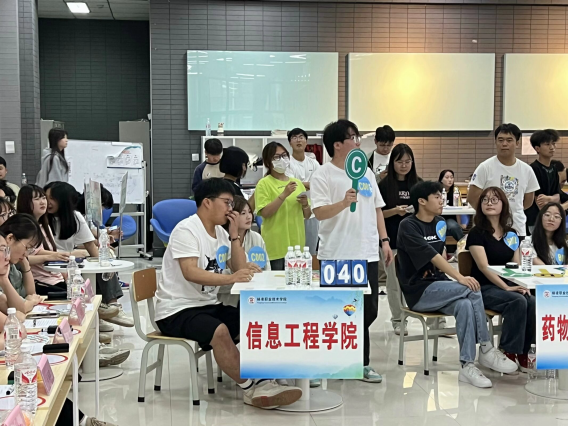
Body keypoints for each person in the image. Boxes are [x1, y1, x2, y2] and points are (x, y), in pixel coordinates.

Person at [155, 178, 302, 409]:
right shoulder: (186, 230)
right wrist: (231, 278)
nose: (230, 209)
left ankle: (266, 379)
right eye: (227, 202)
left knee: (254, 321)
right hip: (176, 309)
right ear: (207, 202)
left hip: (206, 305)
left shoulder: (221, 233)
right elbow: (190, 272)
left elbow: (239, 268)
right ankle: (251, 389)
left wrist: (234, 235)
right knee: (220, 331)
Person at [397, 181, 518, 388]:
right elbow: (433, 256)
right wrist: (460, 277)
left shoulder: (440, 222)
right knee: (471, 288)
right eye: (436, 197)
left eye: (441, 196)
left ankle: (467, 366)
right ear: (422, 201)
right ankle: (486, 347)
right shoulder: (408, 226)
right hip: (419, 292)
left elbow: (442, 253)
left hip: (439, 286)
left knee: (464, 305)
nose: (441, 200)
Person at [311, 119, 393, 383]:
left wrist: (384, 240)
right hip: (337, 253)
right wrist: (343, 202)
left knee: (368, 310)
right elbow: (319, 212)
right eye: (353, 137)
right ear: (337, 144)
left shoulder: (366, 173)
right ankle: (330, 363)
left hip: (366, 252)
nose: (358, 142)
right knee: (335, 310)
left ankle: (357, 362)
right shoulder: (323, 174)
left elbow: (377, 208)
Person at [45, 182, 131, 362]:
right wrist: (73, 253)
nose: (46, 202)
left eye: (51, 198)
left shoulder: (75, 218)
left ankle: (108, 311)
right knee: (80, 288)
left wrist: (103, 261)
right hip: (52, 272)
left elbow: (92, 247)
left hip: (67, 267)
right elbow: (38, 254)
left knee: (99, 264)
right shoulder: (41, 220)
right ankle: (102, 318)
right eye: (44, 197)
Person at [465, 186, 535, 372]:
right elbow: (483, 267)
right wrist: (506, 288)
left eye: (494, 199)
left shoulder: (511, 233)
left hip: (507, 285)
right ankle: (508, 352)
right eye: (485, 200)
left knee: (531, 300)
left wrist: (521, 285)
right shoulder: (477, 233)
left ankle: (524, 352)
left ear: (503, 204)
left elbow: (516, 266)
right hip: (483, 287)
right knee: (517, 301)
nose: (489, 203)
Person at [378, 144, 421, 336]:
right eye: (399, 162)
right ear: (392, 163)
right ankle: (398, 320)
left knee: (421, 279)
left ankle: (435, 319)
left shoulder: (418, 184)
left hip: (416, 242)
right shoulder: (384, 186)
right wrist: (395, 211)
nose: (404, 165)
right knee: (394, 283)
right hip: (391, 241)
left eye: (407, 161)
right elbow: (377, 214)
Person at [467, 123, 539, 238]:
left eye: (509, 140)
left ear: (517, 143)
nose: (504, 144)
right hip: (488, 228)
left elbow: (528, 201)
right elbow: (472, 198)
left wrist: (510, 211)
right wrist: (489, 214)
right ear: (495, 142)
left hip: (517, 227)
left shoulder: (527, 170)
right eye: (500, 140)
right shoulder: (485, 167)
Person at [255, 142, 311, 270]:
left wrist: (305, 205)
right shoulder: (264, 184)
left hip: (297, 245)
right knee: (276, 280)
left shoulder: (297, 183)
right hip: (276, 245)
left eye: (284, 155)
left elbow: (307, 215)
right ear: (268, 161)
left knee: (297, 280)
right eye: (277, 157)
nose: (282, 159)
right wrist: (284, 194)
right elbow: (265, 213)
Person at [16, 185, 69, 295]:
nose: (43, 202)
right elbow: (24, 258)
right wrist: (50, 257)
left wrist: (65, 275)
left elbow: (49, 252)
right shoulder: (23, 228)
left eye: (44, 198)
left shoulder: (44, 226)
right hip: (40, 281)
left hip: (55, 278)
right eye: (37, 199)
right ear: (26, 202)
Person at [218, 196, 270, 307]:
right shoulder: (220, 238)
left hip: (255, 297)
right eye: (243, 213)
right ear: (231, 216)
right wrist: (241, 270)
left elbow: (267, 270)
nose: (249, 216)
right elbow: (217, 279)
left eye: (250, 212)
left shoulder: (256, 238)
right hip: (225, 301)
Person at [285, 128, 320, 262]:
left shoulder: (313, 163)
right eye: (294, 138)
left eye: (301, 137)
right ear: (290, 143)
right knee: (293, 252)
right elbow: (291, 185)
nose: (298, 140)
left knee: (310, 252)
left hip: (311, 212)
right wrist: (309, 184)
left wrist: (304, 184)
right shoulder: (287, 163)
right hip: (293, 211)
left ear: (306, 141)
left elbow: (319, 184)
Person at [524, 130, 568, 234]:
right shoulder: (533, 169)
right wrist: (554, 200)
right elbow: (540, 201)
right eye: (547, 144)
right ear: (537, 148)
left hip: (549, 218)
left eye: (553, 143)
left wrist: (550, 198)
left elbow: (558, 195)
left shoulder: (553, 169)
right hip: (535, 220)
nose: (552, 147)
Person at [0, 214, 43, 313]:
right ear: (10, 238)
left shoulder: (12, 267)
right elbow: (19, 309)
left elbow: (31, 294)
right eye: (27, 247)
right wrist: (30, 302)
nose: (26, 254)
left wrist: (25, 265)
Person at [439, 169, 465, 241]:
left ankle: (463, 244)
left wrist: (460, 224)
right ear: (441, 180)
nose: (450, 180)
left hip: (451, 218)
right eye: (447, 177)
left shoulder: (455, 190)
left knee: (453, 226)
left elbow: (459, 208)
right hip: (438, 217)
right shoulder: (437, 190)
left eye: (452, 177)